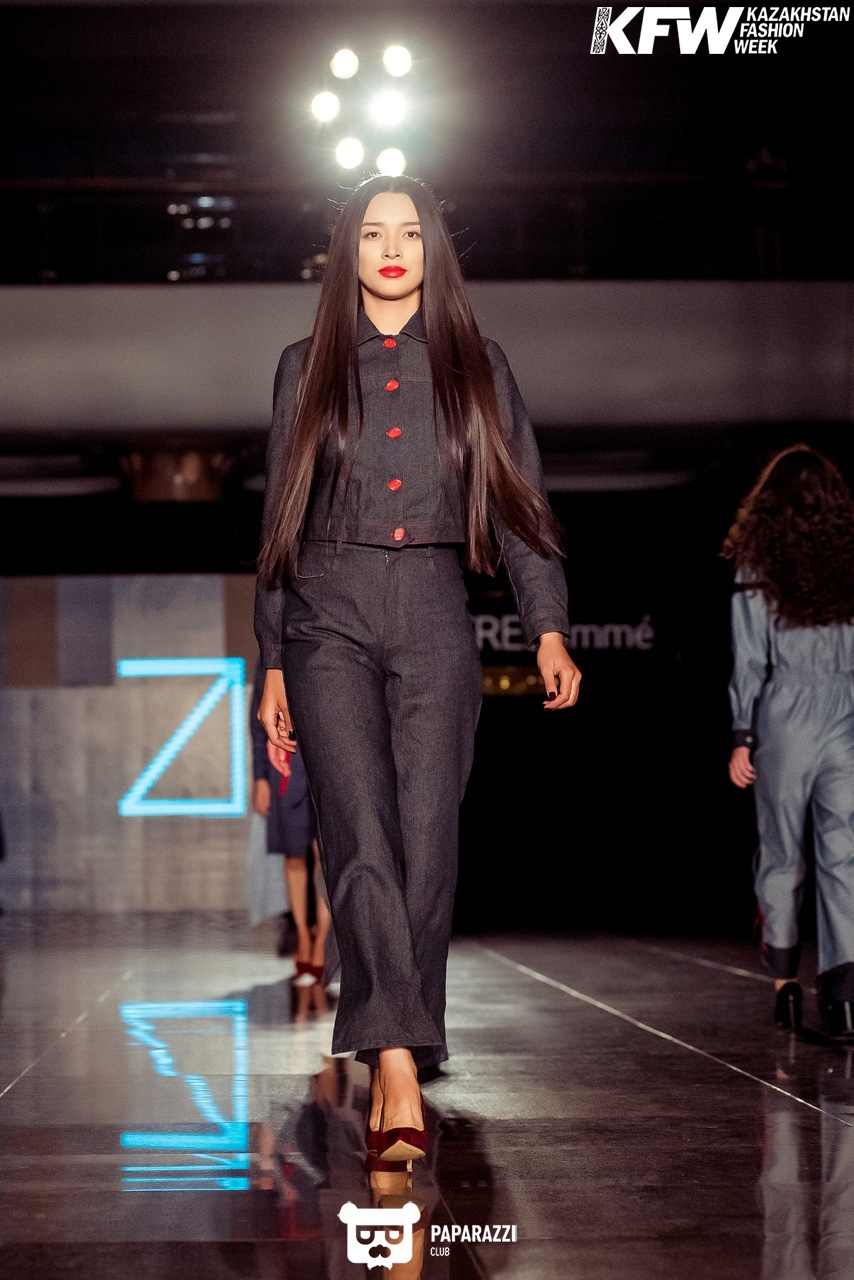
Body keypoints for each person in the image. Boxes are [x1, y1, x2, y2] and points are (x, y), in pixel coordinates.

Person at [254, 173, 580, 1163]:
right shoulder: (305, 366)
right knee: (357, 832)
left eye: (408, 232)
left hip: (437, 608)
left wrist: (548, 625)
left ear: (432, 249)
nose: (391, 249)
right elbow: (279, 520)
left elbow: (520, 503)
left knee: (428, 838)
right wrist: (272, 659)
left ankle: (405, 1026)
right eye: (371, 234)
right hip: (327, 614)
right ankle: (393, 1059)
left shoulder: (478, 365)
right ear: (347, 253)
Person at [725, 445, 854, 1038]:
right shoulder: (848, 561)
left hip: (784, 716)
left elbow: (750, 660)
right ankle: (844, 998)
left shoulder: (757, 565)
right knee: (843, 855)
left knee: (780, 854)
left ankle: (786, 988)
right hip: (847, 713)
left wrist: (742, 735)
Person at [249, 659, 331, 983]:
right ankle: (303, 937)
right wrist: (260, 778)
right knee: (294, 855)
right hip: (286, 762)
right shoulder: (272, 655)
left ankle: (322, 940)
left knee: (328, 856)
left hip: (328, 760)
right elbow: (259, 719)